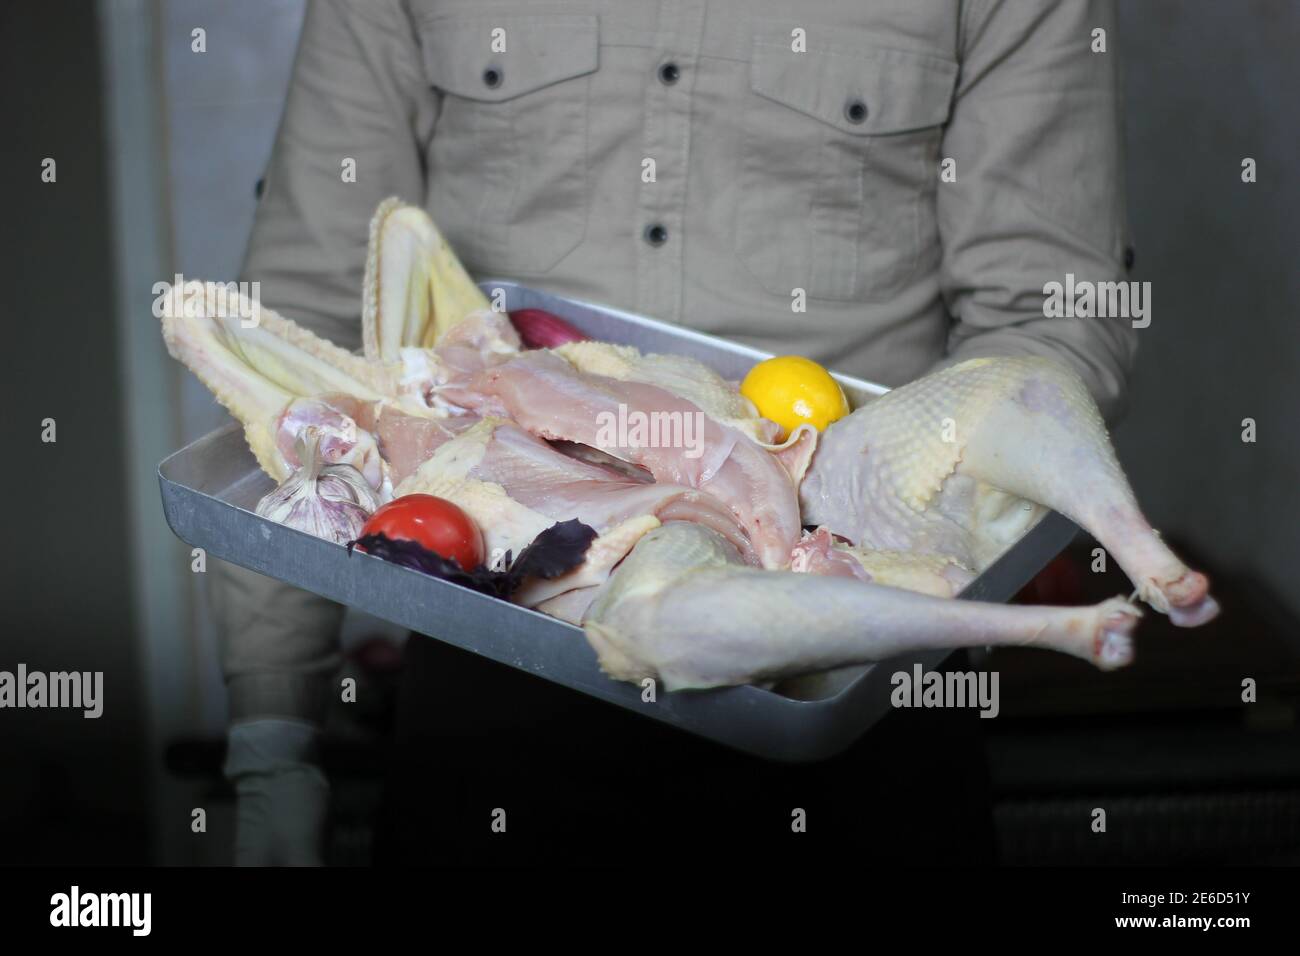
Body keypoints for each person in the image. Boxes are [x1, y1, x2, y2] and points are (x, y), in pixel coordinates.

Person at [219, 0, 1136, 865]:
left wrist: (921, 497)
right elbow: (312, 307)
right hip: (497, 683)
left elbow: (1053, 312)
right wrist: (273, 728)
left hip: (858, 667)